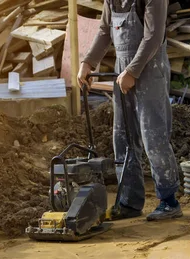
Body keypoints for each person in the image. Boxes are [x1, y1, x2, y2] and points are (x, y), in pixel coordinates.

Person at [78, 0, 182, 221]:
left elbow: (153, 36)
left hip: (149, 69)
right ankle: (129, 202)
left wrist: (132, 72)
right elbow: (105, 30)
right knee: (122, 136)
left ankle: (169, 200)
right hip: (122, 71)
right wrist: (87, 63)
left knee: (153, 136)